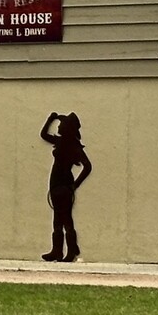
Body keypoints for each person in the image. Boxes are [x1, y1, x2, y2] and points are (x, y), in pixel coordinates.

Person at [41, 111, 92, 262]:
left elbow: (87, 166)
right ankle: (58, 250)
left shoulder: (73, 146)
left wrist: (75, 185)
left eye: (62, 124)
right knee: (58, 218)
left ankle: (70, 250)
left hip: (64, 185)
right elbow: (44, 135)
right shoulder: (61, 142)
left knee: (65, 218)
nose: (59, 126)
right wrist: (50, 119)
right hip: (57, 184)